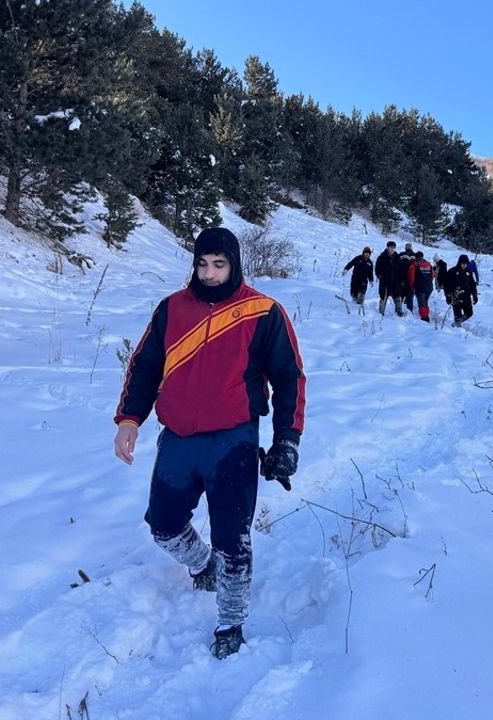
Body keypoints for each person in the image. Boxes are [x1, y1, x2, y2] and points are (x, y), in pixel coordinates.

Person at [113, 227, 306, 660]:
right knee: (163, 525)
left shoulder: (263, 311)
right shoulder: (172, 309)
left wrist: (287, 441)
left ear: (235, 264)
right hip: (178, 437)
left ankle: (231, 621)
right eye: (203, 264)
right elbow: (144, 367)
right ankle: (202, 565)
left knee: (232, 538)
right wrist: (129, 420)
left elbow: (290, 379)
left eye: (219, 265)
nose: (210, 273)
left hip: (233, 439)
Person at [442, 254, 479, 327]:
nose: (464, 265)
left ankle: (456, 323)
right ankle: (457, 330)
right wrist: (448, 296)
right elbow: (446, 285)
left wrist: (475, 295)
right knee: (457, 315)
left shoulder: (468, 272)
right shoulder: (452, 271)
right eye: (463, 264)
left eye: (466, 264)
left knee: (469, 313)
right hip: (456, 296)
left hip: (466, 296)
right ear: (459, 263)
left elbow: (472, 284)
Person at [342, 246, 375, 312]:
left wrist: (371, 280)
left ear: (370, 254)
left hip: (363, 283)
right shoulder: (358, 258)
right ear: (363, 252)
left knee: (361, 297)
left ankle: (358, 309)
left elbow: (370, 273)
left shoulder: (370, 263)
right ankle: (353, 306)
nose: (367, 254)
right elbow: (350, 264)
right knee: (353, 295)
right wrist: (346, 269)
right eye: (366, 253)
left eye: (368, 253)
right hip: (355, 281)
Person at [408, 250, 436, 322]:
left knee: (421, 303)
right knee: (425, 301)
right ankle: (426, 315)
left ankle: (424, 318)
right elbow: (432, 275)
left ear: (416, 257)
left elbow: (411, 276)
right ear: (422, 256)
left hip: (419, 287)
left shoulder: (415, 264)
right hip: (429, 287)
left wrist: (412, 286)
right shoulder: (429, 264)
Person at [374, 241, 400, 315]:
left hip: (395, 282)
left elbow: (400, 269)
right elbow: (377, 268)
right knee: (383, 298)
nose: (393, 249)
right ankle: (380, 314)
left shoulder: (397, 257)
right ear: (387, 247)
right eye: (391, 247)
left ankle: (399, 313)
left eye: (394, 248)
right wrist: (379, 276)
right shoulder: (381, 257)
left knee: (397, 298)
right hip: (385, 282)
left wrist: (400, 279)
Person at [396, 242, 417, 315]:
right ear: (411, 248)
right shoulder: (415, 256)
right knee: (410, 296)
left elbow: (396, 266)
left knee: (400, 296)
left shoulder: (401, 254)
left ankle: (398, 312)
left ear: (405, 248)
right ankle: (410, 313)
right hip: (412, 280)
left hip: (401, 279)